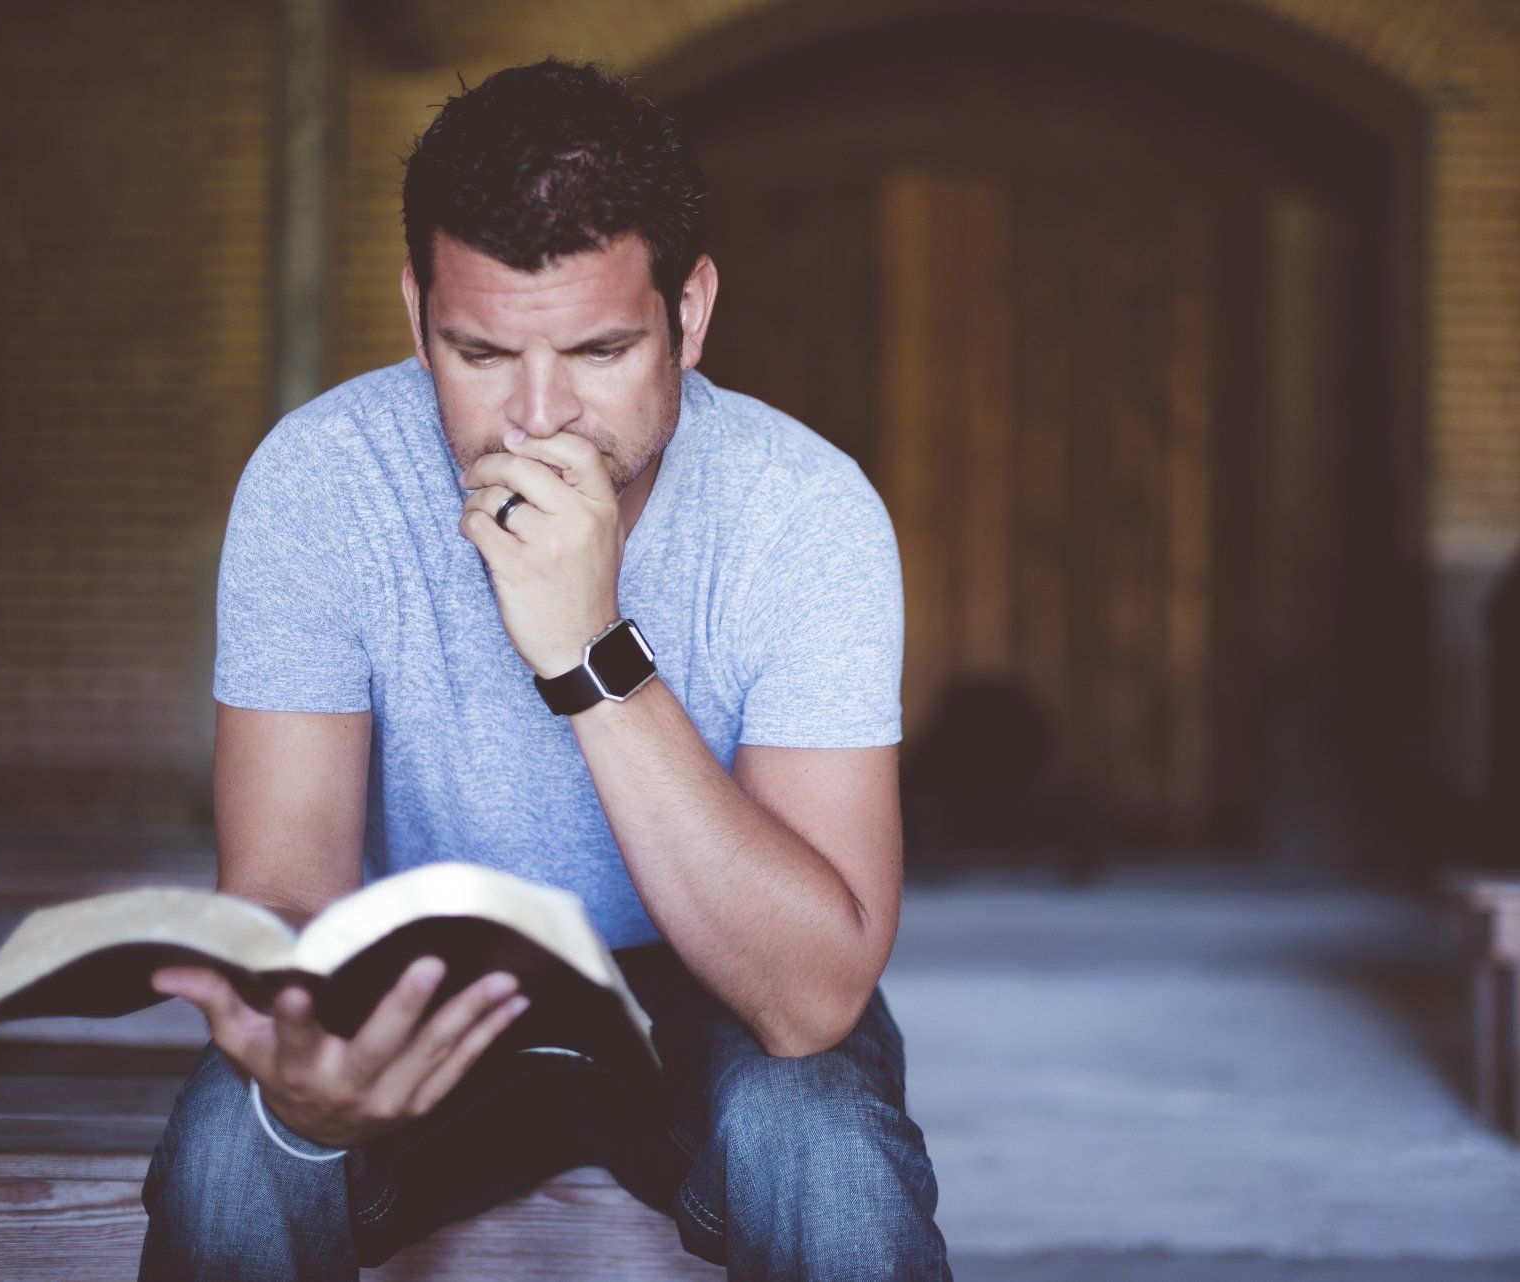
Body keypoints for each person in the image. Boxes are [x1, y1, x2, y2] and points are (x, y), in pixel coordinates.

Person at [137, 57, 952, 1281]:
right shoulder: (319, 482)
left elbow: (812, 993)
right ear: (417, 312)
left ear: (690, 314)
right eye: (477, 353)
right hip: (423, 981)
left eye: (599, 350)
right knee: (235, 1147)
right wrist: (304, 1056)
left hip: (715, 985)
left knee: (823, 1151)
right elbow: (286, 886)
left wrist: (590, 651)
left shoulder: (804, 512)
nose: (537, 418)